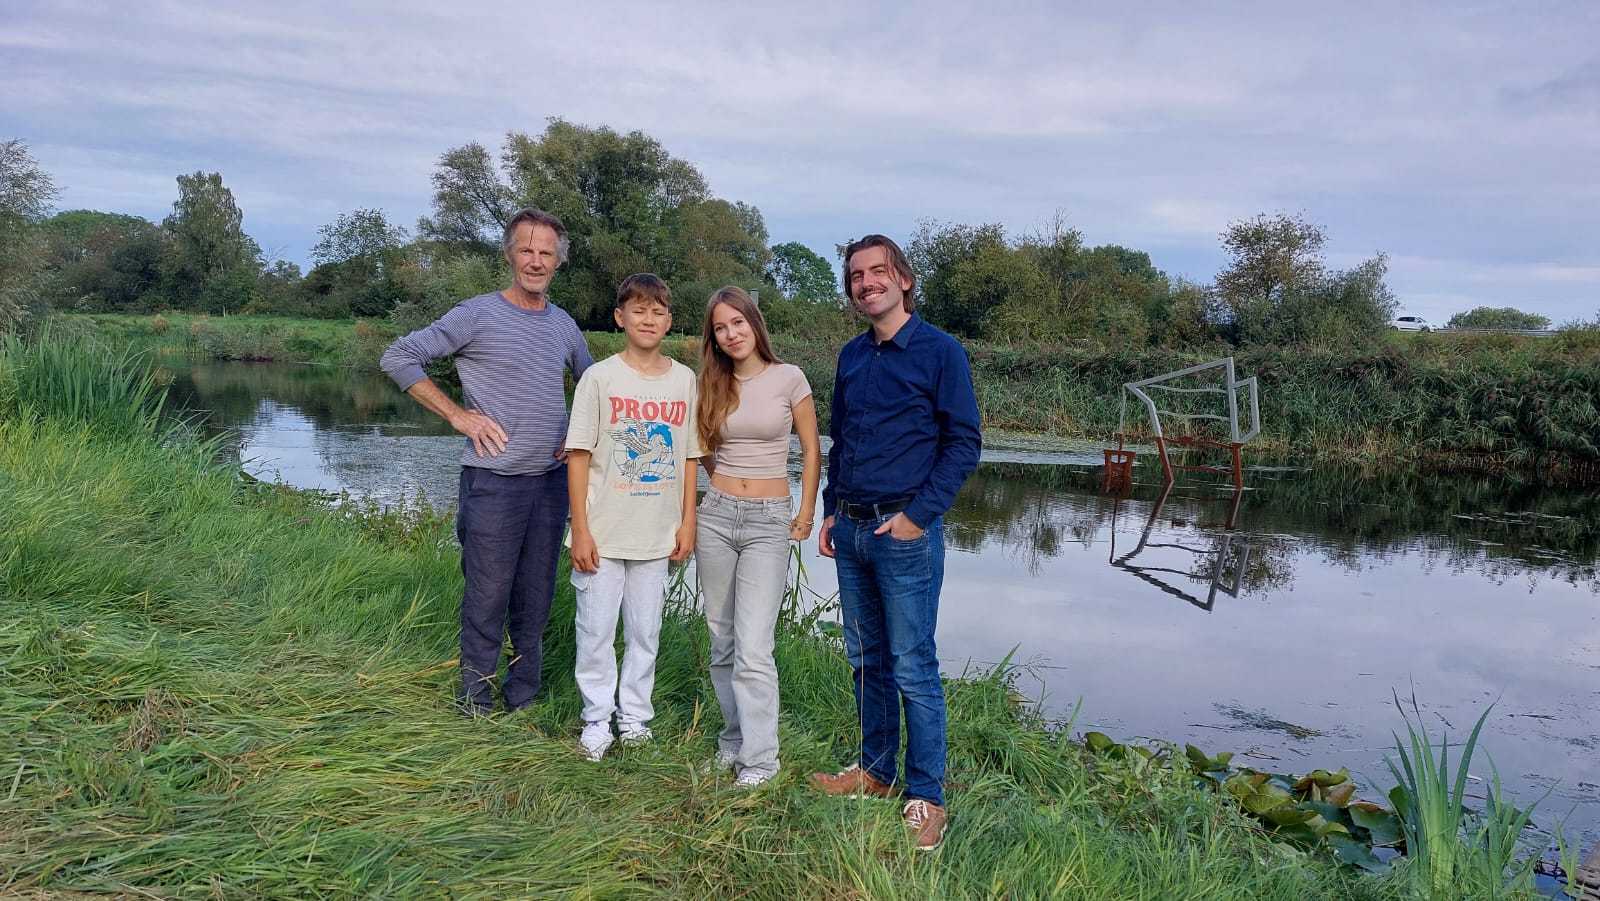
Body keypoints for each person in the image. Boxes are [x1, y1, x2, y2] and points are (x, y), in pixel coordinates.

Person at [379, 207, 592, 715]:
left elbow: (595, 384)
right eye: (526, 249)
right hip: (493, 484)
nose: (535, 261)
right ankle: (474, 699)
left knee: (536, 597)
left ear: (558, 262)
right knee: (487, 595)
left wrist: (582, 434)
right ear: (509, 253)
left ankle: (523, 699)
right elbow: (398, 357)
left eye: (546, 253)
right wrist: (458, 416)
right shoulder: (476, 314)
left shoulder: (564, 325)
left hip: (550, 484)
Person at [809, 234, 982, 851]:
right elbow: (842, 440)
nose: (866, 284)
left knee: (913, 665)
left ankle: (926, 796)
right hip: (852, 529)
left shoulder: (940, 353)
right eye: (856, 276)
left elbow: (963, 443)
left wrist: (918, 515)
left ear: (903, 279)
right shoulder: (853, 356)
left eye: (877, 272)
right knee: (865, 660)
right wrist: (832, 511)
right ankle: (876, 773)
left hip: (904, 534)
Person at [564, 273, 701, 761]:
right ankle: (597, 719)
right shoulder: (599, 378)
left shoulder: (684, 380)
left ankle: (635, 719)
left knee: (646, 632)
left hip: (656, 534)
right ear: (620, 317)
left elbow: (688, 457)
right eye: (638, 310)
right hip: (603, 532)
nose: (648, 319)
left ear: (669, 321)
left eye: (658, 311)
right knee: (596, 630)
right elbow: (578, 455)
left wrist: (688, 523)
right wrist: (580, 529)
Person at [693, 286, 821, 787]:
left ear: (754, 323)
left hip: (770, 520)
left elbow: (811, 451)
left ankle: (762, 762)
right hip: (717, 517)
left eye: (738, 323)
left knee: (753, 646)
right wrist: (721, 481)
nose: (731, 334)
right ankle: (733, 742)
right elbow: (702, 449)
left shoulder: (789, 378)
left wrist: (806, 510)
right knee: (721, 641)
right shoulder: (711, 383)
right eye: (721, 328)